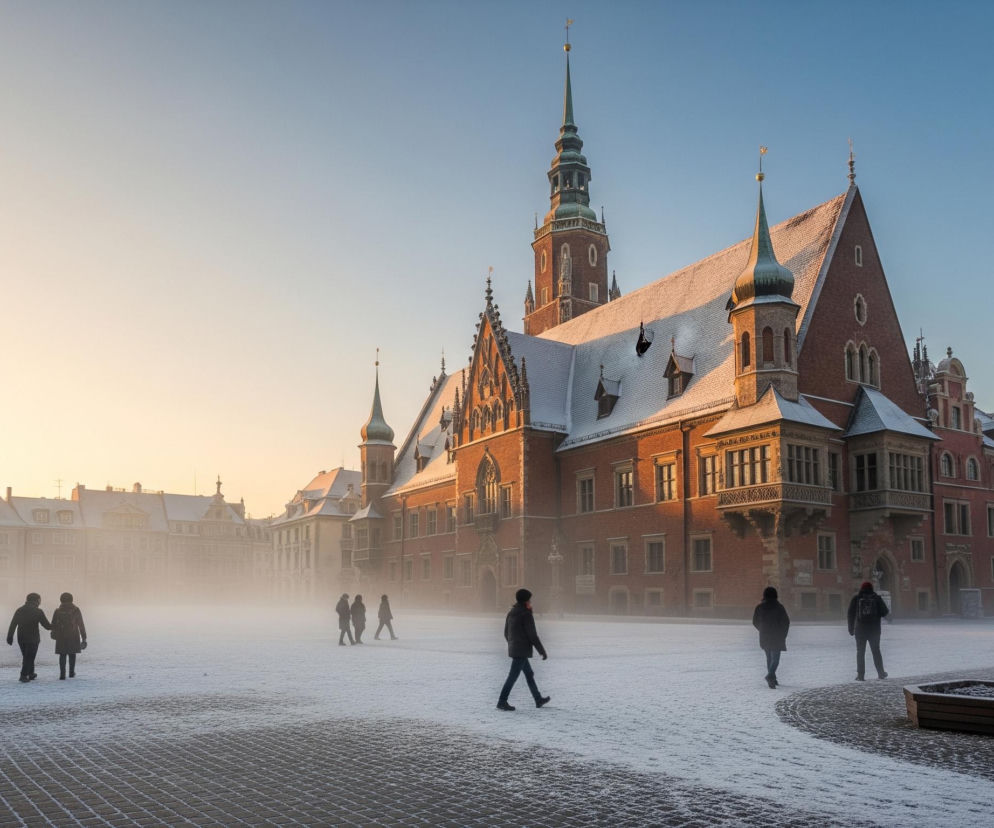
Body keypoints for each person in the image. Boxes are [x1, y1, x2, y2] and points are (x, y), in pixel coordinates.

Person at [497, 588, 550, 711]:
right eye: (529, 599)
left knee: (529, 674)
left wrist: (513, 644)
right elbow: (532, 635)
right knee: (512, 676)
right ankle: (502, 701)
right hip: (521, 650)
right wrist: (542, 651)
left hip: (516, 648)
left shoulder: (511, 612)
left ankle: (538, 699)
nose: (531, 601)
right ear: (526, 600)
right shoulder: (526, 614)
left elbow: (506, 633)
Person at [847, 581, 889, 681]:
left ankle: (860, 675)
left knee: (860, 652)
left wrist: (851, 628)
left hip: (860, 630)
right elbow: (885, 612)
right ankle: (881, 673)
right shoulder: (876, 598)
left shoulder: (856, 598)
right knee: (876, 651)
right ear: (871, 588)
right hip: (874, 630)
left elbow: (850, 614)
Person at [6, 593, 51, 682]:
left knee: (27, 656)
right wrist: (57, 625)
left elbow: (13, 624)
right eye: (39, 600)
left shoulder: (19, 610)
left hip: (21, 637)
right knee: (29, 656)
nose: (40, 602)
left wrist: (10, 637)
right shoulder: (38, 611)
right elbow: (47, 626)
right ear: (37, 600)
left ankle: (31, 673)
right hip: (33, 638)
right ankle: (23, 675)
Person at [752, 586, 790, 689]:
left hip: (764, 636)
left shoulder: (759, 607)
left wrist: (762, 629)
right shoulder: (779, 607)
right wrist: (783, 634)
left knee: (769, 658)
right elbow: (786, 622)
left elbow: (755, 621)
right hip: (777, 636)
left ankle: (773, 678)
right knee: (775, 659)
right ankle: (770, 676)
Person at [50, 592, 87, 680]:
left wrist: (53, 633)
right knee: (72, 654)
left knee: (62, 654)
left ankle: (62, 674)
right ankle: (71, 672)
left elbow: (53, 624)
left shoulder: (57, 610)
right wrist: (84, 637)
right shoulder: (76, 610)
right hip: (73, 634)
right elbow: (81, 624)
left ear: (61, 600)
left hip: (61, 635)